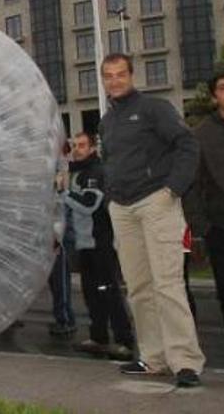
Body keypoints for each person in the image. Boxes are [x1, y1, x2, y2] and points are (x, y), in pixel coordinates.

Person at [98, 53, 204, 388]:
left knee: (167, 284)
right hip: (123, 208)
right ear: (103, 80)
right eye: (108, 76)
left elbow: (187, 145)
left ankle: (185, 361)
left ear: (131, 75)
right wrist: (111, 193)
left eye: (120, 74)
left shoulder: (154, 108)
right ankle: (154, 358)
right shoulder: (107, 121)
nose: (115, 81)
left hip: (156, 202)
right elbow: (110, 160)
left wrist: (173, 188)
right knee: (140, 287)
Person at [63, 132, 134, 360]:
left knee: (109, 292)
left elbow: (89, 204)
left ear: (93, 148)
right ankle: (99, 336)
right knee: (91, 293)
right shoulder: (75, 172)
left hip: (100, 242)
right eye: (74, 145)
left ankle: (124, 340)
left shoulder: (96, 171)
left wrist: (63, 192)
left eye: (82, 145)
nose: (77, 149)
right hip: (84, 244)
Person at [185, 68, 224, 376]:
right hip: (222, 226)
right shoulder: (202, 134)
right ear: (215, 96)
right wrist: (201, 227)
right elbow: (193, 184)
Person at [48, 141, 76, 337]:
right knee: (55, 278)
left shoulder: (62, 168)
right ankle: (63, 317)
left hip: (57, 231)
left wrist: (57, 234)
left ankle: (65, 319)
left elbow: (62, 199)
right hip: (49, 228)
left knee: (59, 278)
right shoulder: (52, 166)